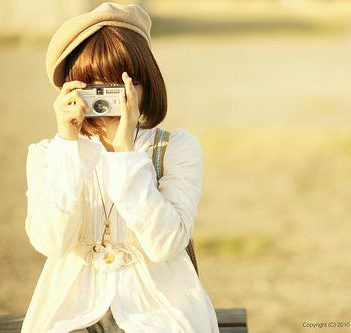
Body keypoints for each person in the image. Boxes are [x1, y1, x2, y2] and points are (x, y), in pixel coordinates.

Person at [22, 2, 219, 332]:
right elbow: (51, 243)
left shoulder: (175, 148)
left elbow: (165, 244)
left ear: (146, 84)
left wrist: (125, 154)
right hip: (72, 311)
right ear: (71, 89)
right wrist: (68, 145)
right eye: (95, 87)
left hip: (159, 310)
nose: (107, 100)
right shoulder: (48, 154)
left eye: (119, 87)